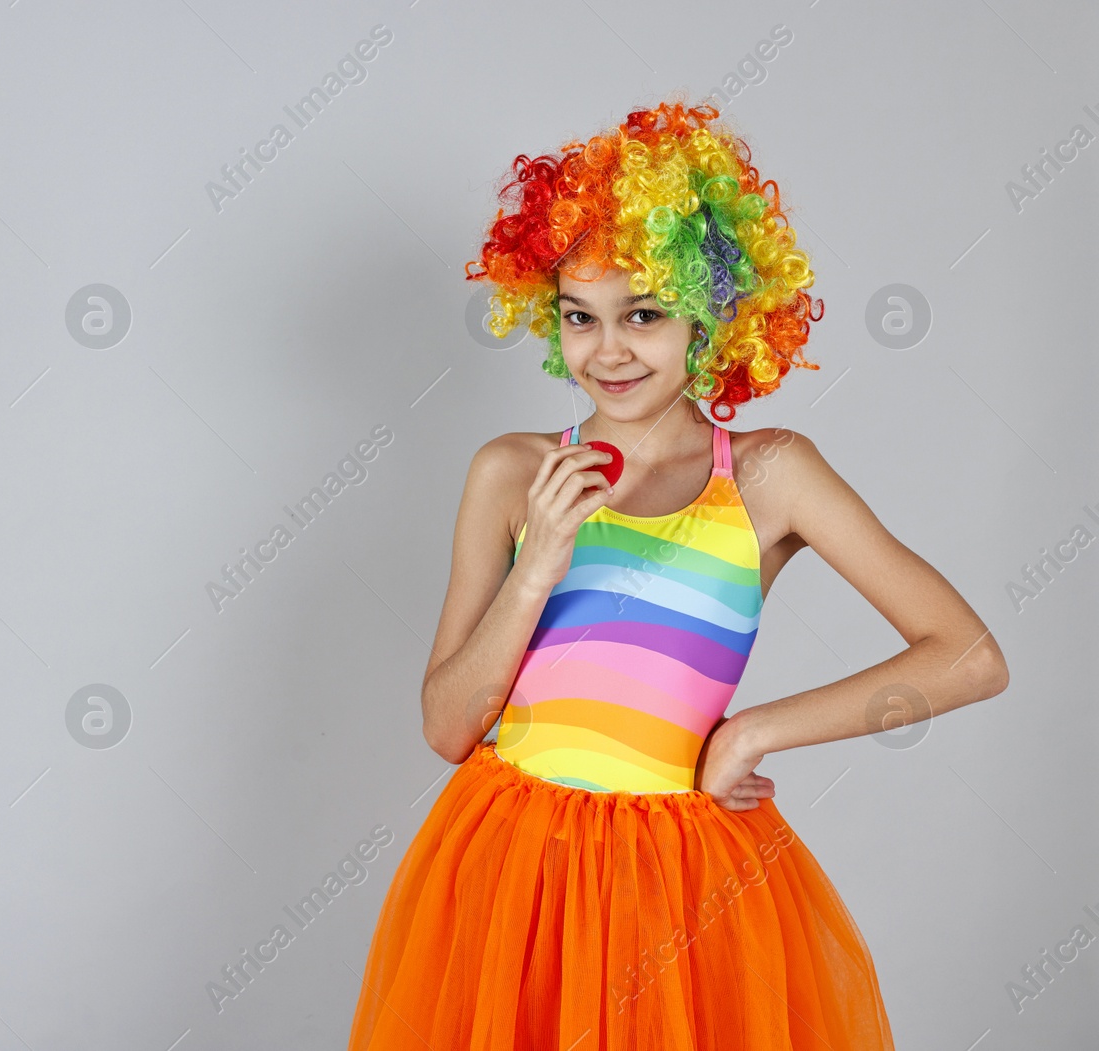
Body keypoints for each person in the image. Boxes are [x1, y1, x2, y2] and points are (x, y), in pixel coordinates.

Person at [345, 98, 1009, 1049]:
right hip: (511, 869)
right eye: (580, 317)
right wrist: (538, 568)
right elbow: (447, 726)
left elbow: (971, 656)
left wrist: (756, 732)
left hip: (676, 885)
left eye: (643, 315)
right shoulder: (510, 471)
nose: (607, 350)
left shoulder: (772, 476)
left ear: (712, 316)